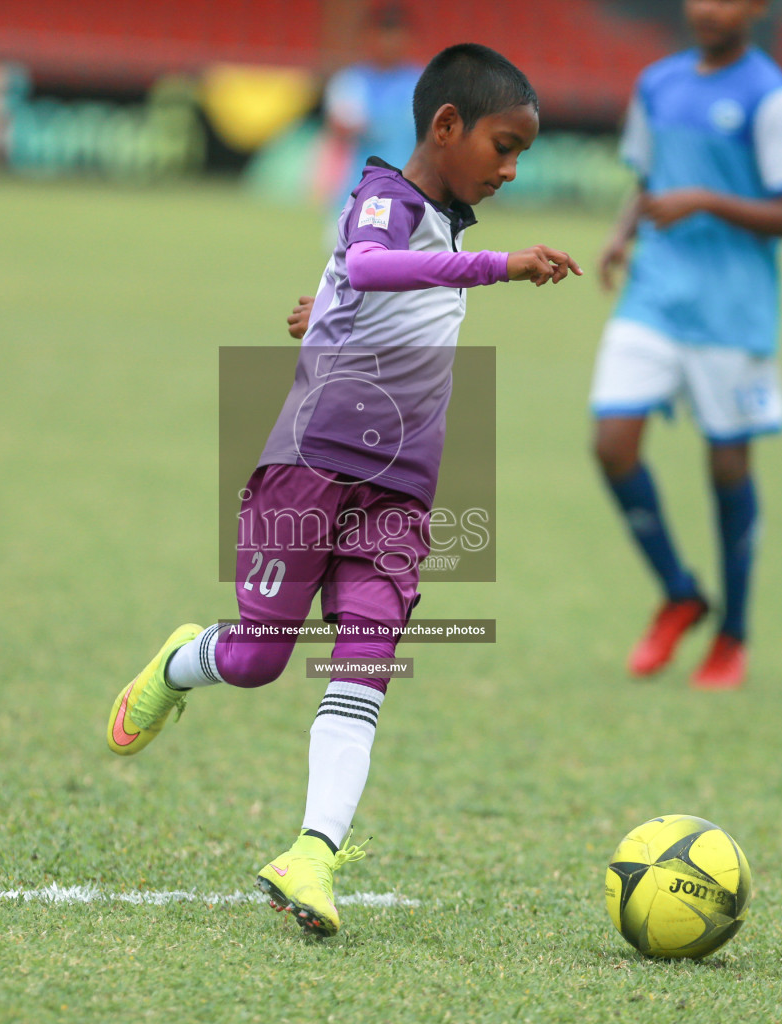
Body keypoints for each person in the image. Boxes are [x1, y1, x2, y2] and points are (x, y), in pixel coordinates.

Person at [106, 44, 581, 938]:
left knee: (365, 670)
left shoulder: (442, 225)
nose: (513, 171)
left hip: (400, 493)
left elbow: (363, 295)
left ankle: (312, 854)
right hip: (308, 468)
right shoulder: (382, 197)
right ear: (446, 127)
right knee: (258, 660)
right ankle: (179, 662)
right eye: (504, 147)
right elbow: (366, 266)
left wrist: (323, 312)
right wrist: (500, 267)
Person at [590, 0, 782, 690]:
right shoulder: (658, 82)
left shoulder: (771, 99)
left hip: (731, 314)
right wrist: (624, 234)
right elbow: (649, 179)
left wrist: (706, 201)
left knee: (727, 467)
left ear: (757, 8)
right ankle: (680, 590)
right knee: (612, 443)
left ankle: (734, 634)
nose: (708, 9)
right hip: (655, 295)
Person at [320, 4, 423, 211]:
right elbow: (340, 127)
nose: (389, 44)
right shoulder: (350, 81)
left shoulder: (423, 82)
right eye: (383, 36)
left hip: (410, 195)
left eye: (395, 36)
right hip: (358, 193)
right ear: (368, 37)